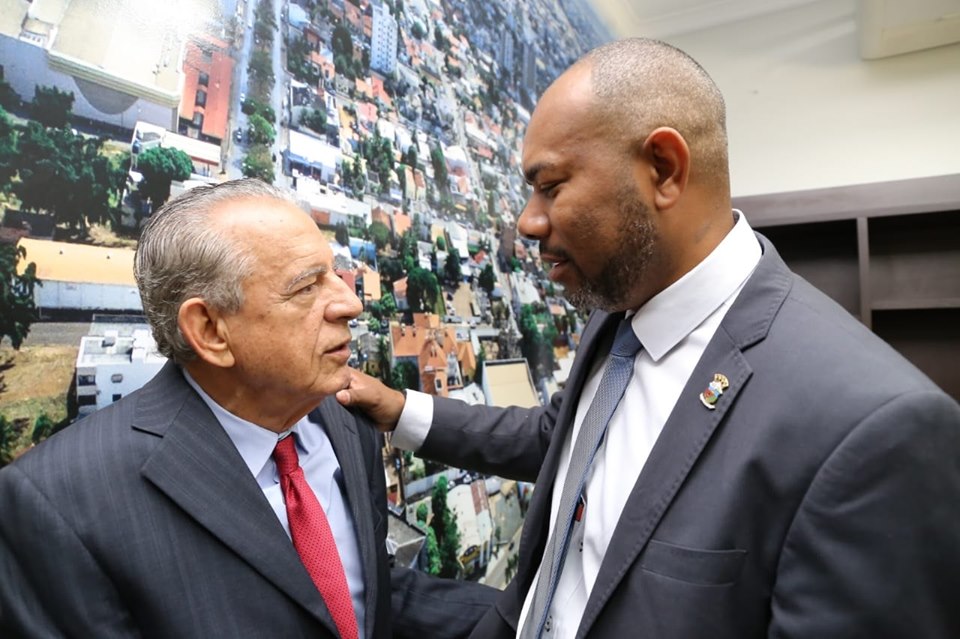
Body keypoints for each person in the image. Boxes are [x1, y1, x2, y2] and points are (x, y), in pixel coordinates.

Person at [337, 38, 960, 638]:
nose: (528, 221)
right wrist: (397, 409)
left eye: (551, 186)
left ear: (664, 168)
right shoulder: (621, 306)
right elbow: (558, 441)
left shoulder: (872, 428)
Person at [0, 179, 496, 638]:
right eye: (307, 286)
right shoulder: (58, 507)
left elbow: (366, 591)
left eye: (336, 275)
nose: (350, 303)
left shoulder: (345, 419)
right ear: (212, 331)